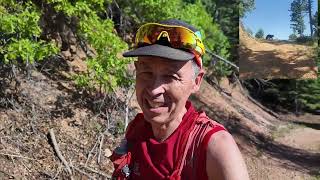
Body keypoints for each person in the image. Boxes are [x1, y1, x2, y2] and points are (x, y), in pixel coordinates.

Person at [110, 19, 249, 180]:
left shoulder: (215, 148)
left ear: (196, 81)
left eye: (171, 76)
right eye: (146, 73)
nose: (155, 89)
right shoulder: (136, 129)